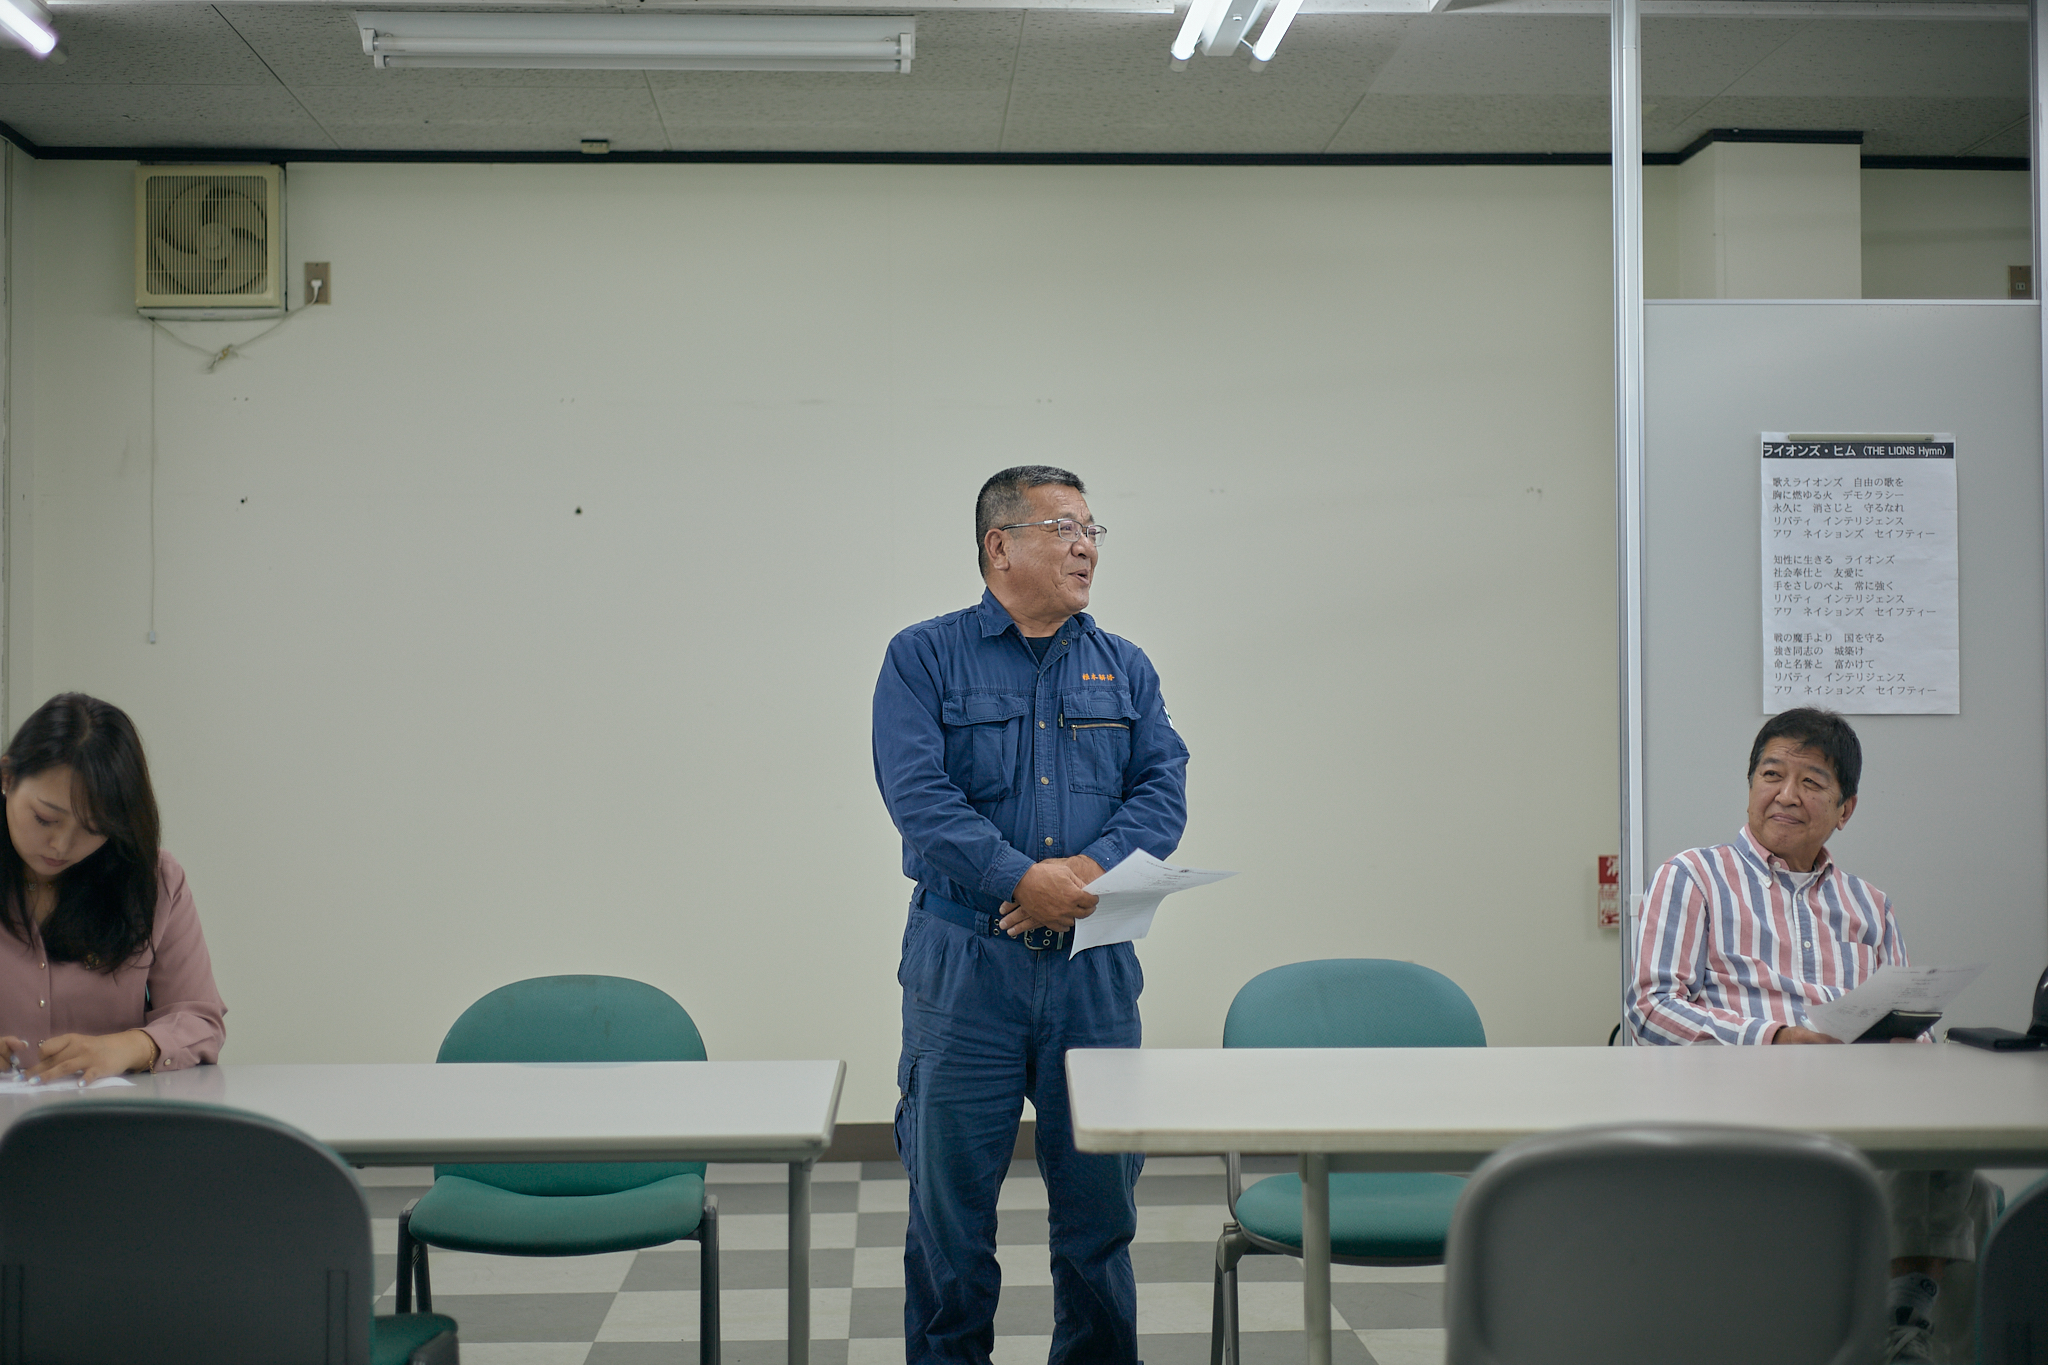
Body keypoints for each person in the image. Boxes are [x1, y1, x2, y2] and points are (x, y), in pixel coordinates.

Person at [872, 466, 1190, 1365]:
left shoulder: (1125, 666)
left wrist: (1082, 873)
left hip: (1093, 971)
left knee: (1098, 1221)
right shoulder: (922, 656)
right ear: (998, 545)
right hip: (964, 971)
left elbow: (1161, 791)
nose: (1086, 544)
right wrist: (1020, 877)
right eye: (1062, 526)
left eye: (1092, 528)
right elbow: (919, 798)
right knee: (950, 1227)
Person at [1626, 707, 1994, 1365]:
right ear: (1750, 785)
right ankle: (1896, 1330)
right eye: (1772, 774)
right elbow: (1651, 1011)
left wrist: (1914, 1040)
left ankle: (1908, 1329)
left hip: (1855, 1107)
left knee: (1950, 1143)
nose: (1787, 794)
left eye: (1812, 781)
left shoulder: (1868, 904)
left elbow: (1905, 1018)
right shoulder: (1694, 876)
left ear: (1845, 808)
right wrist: (1775, 1036)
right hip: (1735, 1103)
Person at [0, 693, 225, 1083]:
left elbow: (199, 1020)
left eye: (92, 829)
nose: (61, 846)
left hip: (111, 1129)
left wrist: (132, 1045)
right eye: (45, 818)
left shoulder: (154, 881)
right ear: (6, 777)